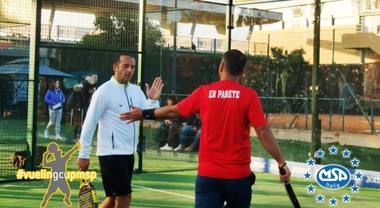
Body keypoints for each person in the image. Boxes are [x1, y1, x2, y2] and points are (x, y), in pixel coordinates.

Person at [120, 49, 291, 208]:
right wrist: (281, 163)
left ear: (221, 67)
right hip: (238, 178)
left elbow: (173, 111)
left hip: (208, 176)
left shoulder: (204, 92)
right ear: (242, 72)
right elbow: (263, 131)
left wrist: (144, 113)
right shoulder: (249, 96)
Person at [76, 52, 164, 208]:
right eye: (125, 66)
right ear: (115, 67)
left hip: (129, 154)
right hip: (111, 154)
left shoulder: (136, 91)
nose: (129, 70)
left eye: (132, 67)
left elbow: (149, 117)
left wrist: (152, 100)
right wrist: (83, 154)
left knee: (113, 199)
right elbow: (90, 122)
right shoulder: (104, 91)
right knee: (124, 197)